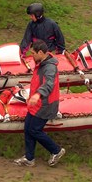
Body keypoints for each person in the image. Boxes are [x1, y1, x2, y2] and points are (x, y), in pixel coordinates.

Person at [14, 39, 66, 167]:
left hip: (45, 105)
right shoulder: (41, 63)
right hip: (36, 103)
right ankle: (29, 158)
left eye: (33, 53)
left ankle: (56, 150)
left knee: (34, 130)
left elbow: (48, 84)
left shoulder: (49, 68)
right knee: (28, 128)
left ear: (41, 53)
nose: (32, 56)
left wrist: (37, 94)